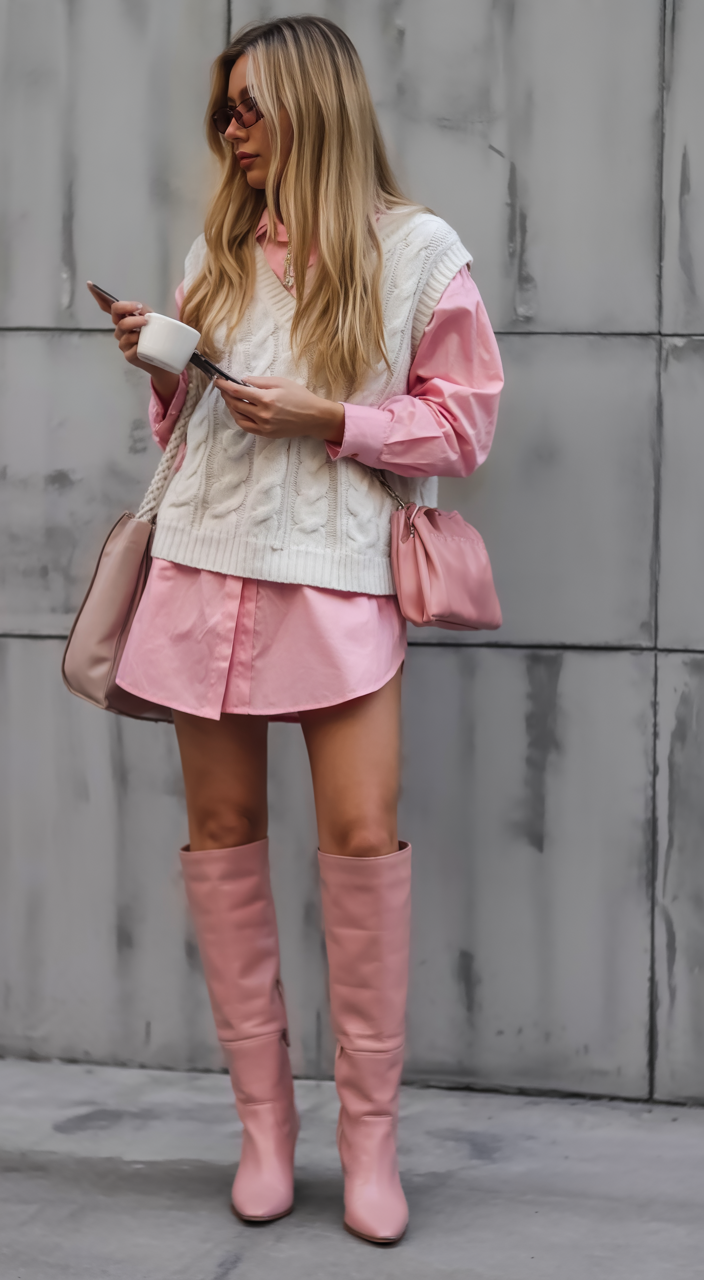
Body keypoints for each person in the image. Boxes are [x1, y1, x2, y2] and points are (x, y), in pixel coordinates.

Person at [105, 16, 503, 1246]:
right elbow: (184, 444)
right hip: (197, 567)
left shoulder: (417, 253)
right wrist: (165, 374)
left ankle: (367, 1144)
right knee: (220, 835)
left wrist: (335, 419)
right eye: (222, 110)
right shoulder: (214, 249)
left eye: (248, 108)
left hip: (334, 576)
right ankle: (263, 1130)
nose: (228, 132)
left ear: (312, 106)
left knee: (358, 842)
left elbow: (464, 426)